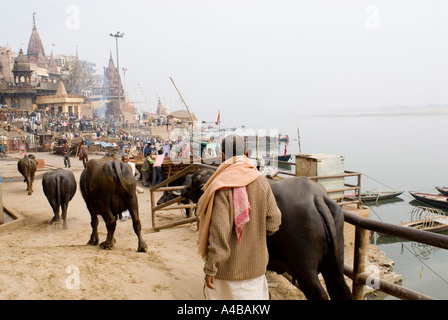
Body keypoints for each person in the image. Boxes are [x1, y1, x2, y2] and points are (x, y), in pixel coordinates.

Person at [197, 134, 282, 300]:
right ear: (246, 152)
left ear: (222, 155)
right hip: (256, 271)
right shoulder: (261, 182)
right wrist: (255, 232)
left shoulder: (221, 185)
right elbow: (274, 222)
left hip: (225, 274)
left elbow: (219, 234)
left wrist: (211, 268)